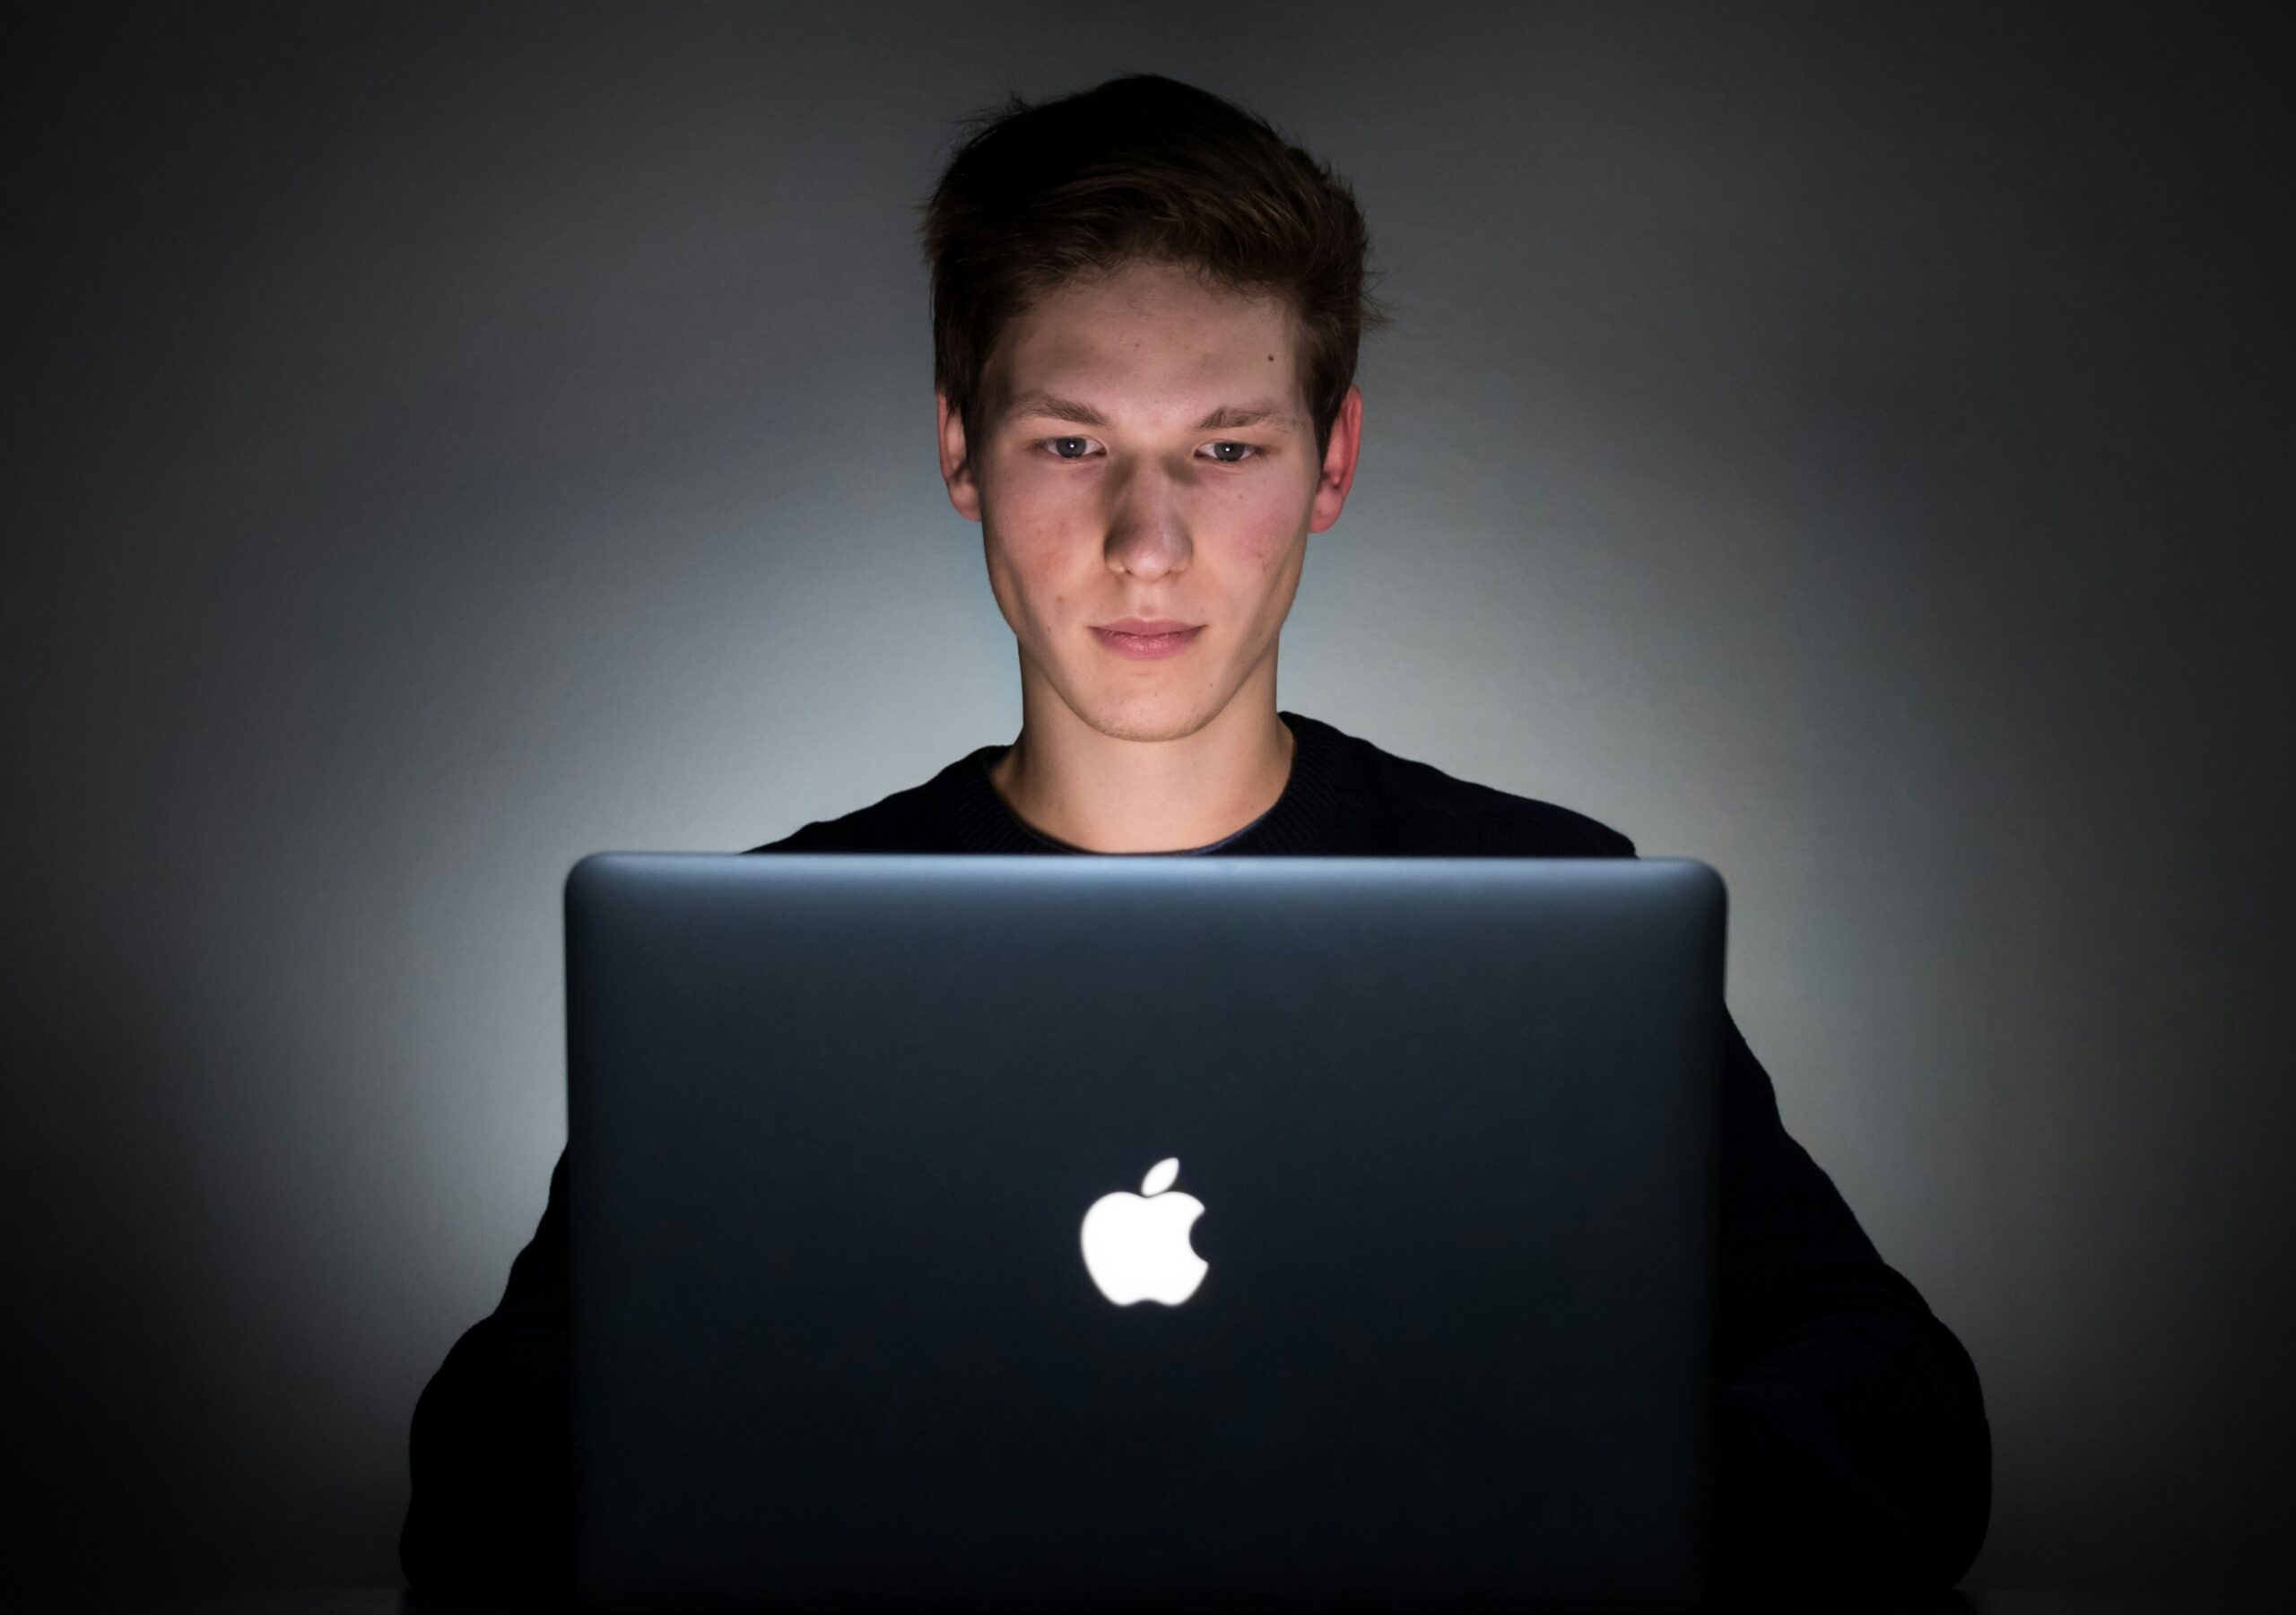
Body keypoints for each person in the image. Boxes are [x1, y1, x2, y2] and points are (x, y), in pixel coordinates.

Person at [401, 73, 1990, 1602]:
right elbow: (484, 1466)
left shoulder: (1540, 914)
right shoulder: (769, 960)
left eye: (1226, 449)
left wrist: (1533, 1508)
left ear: (1332, 465)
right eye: (1071, 442)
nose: (1145, 546)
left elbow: (1901, 1409)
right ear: (961, 450)